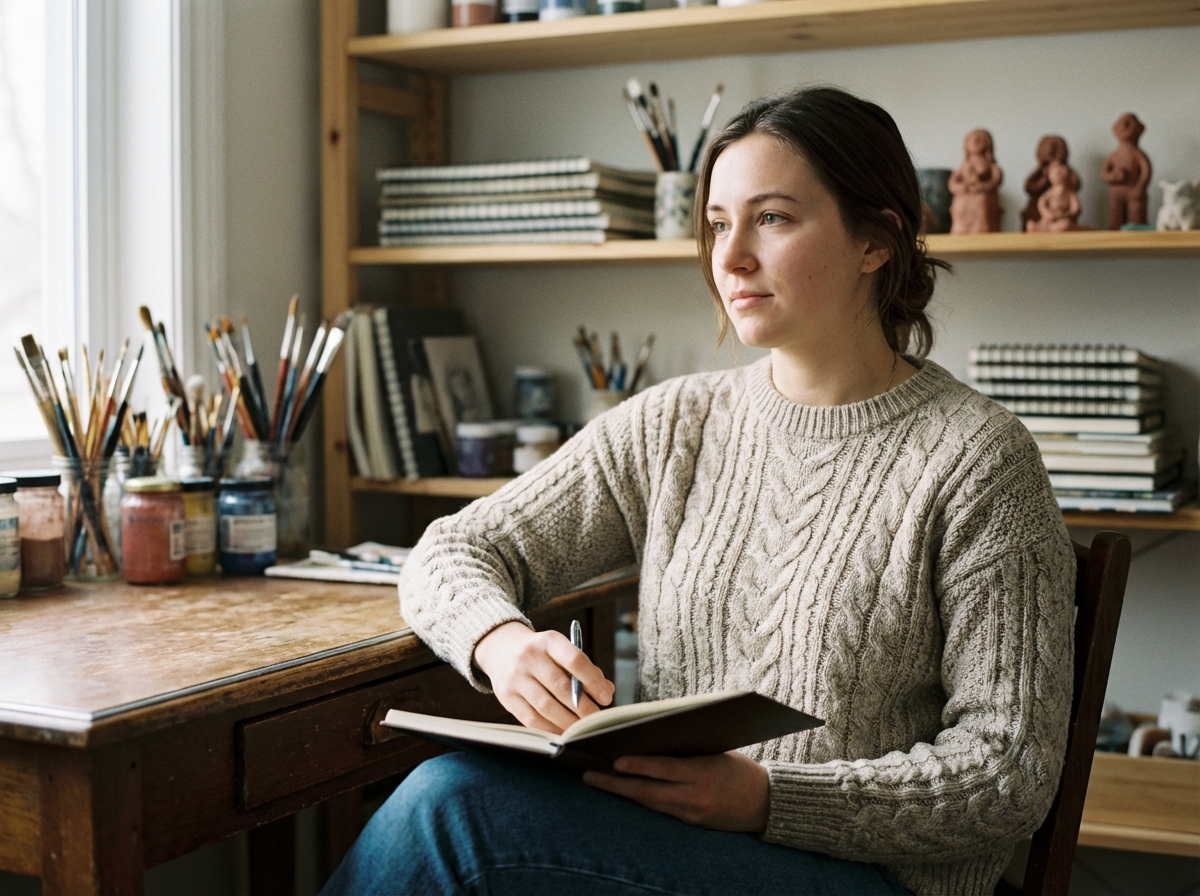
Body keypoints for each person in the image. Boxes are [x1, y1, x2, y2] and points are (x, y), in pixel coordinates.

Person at [322, 86, 1075, 896]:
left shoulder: (980, 459)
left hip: (864, 877)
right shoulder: (674, 423)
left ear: (876, 240)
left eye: (774, 218)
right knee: (453, 795)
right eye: (718, 224)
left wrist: (769, 801)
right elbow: (455, 548)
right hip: (671, 847)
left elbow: (1007, 770)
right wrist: (500, 645)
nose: (732, 256)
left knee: (452, 813)